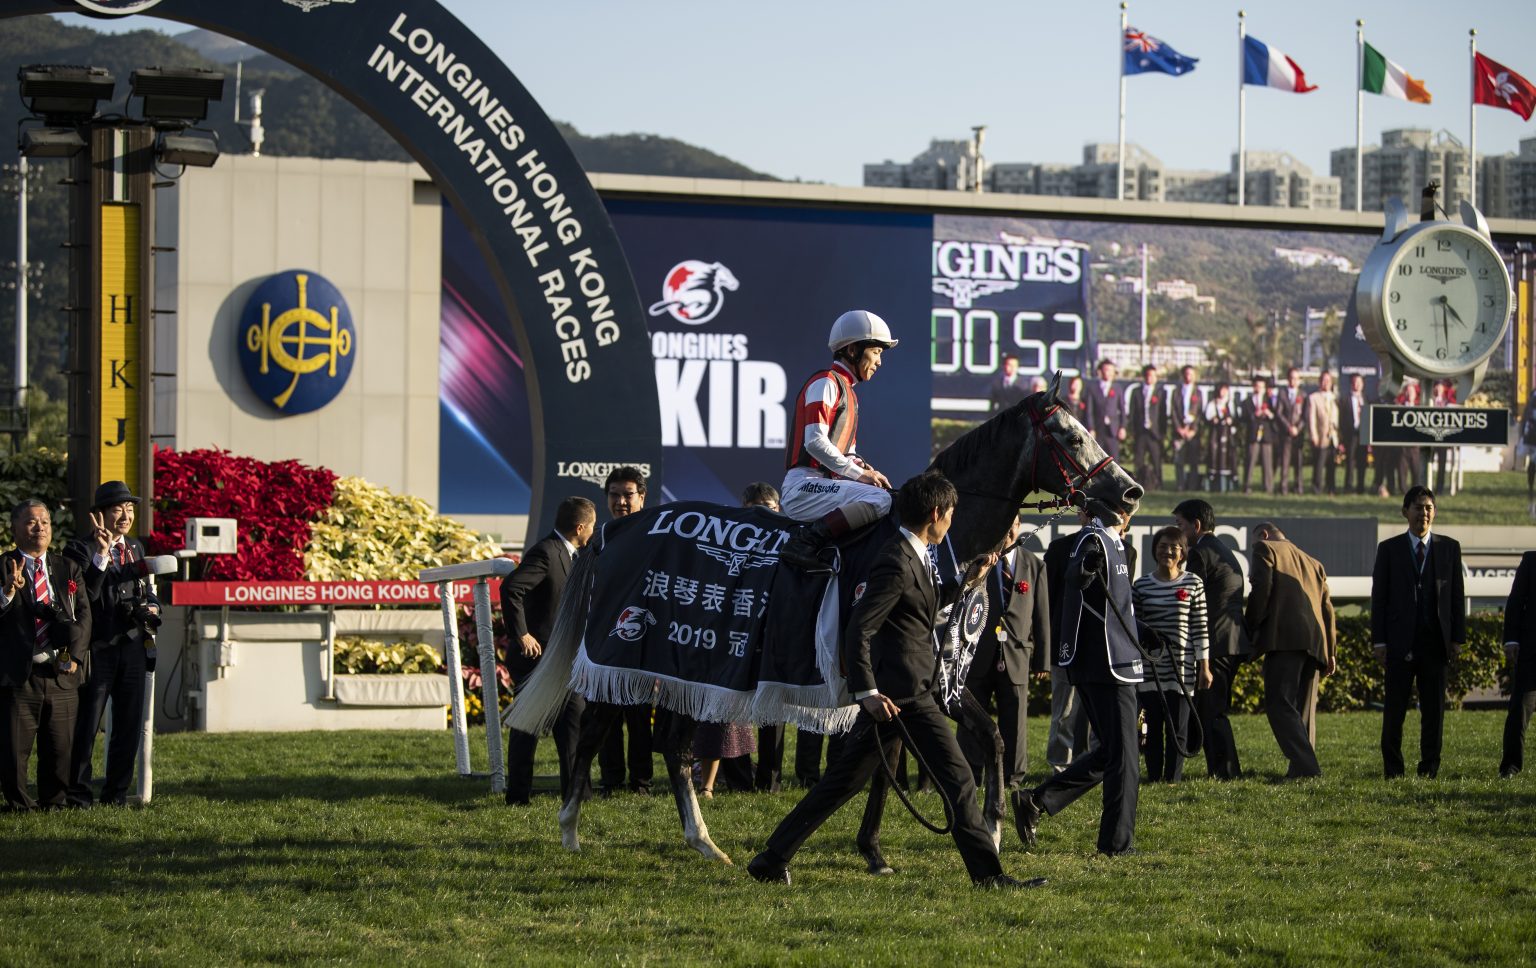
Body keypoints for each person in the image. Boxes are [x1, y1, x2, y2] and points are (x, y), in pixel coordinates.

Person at [748, 472, 1044, 889]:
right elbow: (860, 629)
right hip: (904, 697)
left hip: (900, 697)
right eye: (952, 513)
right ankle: (989, 877)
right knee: (959, 779)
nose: (953, 522)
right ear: (936, 513)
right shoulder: (895, 559)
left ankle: (771, 858)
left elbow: (920, 607)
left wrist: (965, 582)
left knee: (841, 784)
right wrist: (867, 692)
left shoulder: (916, 553)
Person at [1015, 507, 1143, 857]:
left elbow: (1111, 606)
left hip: (1101, 660)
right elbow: (1076, 577)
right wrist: (1084, 568)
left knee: (1109, 752)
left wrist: (1142, 633)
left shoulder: (1113, 544)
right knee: (1124, 757)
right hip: (1104, 664)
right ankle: (1116, 845)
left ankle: (1037, 800)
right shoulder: (1093, 541)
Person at [778, 310, 898, 572]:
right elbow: (814, 442)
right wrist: (856, 474)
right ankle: (804, 543)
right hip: (804, 487)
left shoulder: (849, 394)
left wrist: (866, 470)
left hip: (823, 486)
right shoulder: (825, 382)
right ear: (853, 349)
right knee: (880, 501)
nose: (879, 362)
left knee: (888, 495)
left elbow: (847, 454)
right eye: (876, 352)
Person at [64, 481, 160, 808]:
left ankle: (115, 794)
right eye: (118, 509)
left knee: (129, 723)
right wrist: (102, 554)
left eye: (130, 509)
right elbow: (83, 594)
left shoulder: (136, 547)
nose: (125, 516)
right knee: (87, 723)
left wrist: (152, 607)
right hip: (97, 647)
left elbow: (147, 589)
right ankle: (77, 794)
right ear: (100, 515)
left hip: (132, 644)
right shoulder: (79, 548)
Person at [502, 495, 596, 805]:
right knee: (526, 727)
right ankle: (517, 796)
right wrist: (522, 634)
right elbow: (511, 588)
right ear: (580, 527)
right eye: (592, 527)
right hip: (536, 659)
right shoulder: (545, 552)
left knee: (573, 723)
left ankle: (576, 794)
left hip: (562, 659)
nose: (593, 533)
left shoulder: (571, 554)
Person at [0, 499, 91, 811]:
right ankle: (19, 804)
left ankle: (54, 801)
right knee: (14, 748)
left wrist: (75, 658)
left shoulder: (67, 567)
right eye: (31, 521)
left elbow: (84, 616)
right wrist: (9, 592)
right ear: (14, 528)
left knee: (60, 745)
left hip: (61, 671)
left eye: (45, 522)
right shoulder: (4, 565)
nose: (39, 527)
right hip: (19, 673)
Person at [1372, 485, 1465, 779]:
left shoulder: (1450, 548)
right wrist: (1379, 641)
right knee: (1394, 711)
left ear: (1434, 512)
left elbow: (1456, 598)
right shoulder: (1388, 550)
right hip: (1399, 644)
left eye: (1428, 508)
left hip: (1435, 644)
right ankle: (1393, 770)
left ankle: (1429, 769)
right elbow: (1380, 599)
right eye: (1417, 507)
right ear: (1405, 512)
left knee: (1434, 713)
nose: (1423, 513)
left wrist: (1457, 638)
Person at [959, 516, 1048, 789]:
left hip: (1016, 656)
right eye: (1005, 523)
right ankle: (969, 775)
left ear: (1019, 527)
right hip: (978, 654)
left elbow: (1042, 616)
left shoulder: (1034, 564)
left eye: (1014, 524)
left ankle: (1012, 778)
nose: (1009, 530)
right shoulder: (977, 562)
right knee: (972, 719)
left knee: (1015, 722)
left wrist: (1043, 660)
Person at [1246, 522, 1335, 779]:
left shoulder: (1265, 547)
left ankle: (1307, 766)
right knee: (1304, 711)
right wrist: (1331, 651)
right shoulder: (1313, 562)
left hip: (1284, 638)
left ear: (1263, 535)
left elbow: (1261, 589)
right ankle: (1301, 770)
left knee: (1279, 704)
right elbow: (1327, 609)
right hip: (1316, 643)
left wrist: (1251, 626)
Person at [1173, 499, 1251, 780]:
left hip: (1215, 644)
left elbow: (1188, 600)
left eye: (1179, 525)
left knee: (1211, 712)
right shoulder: (1219, 549)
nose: (1177, 532)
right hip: (1230, 642)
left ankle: (1225, 772)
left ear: (1196, 525)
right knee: (1212, 710)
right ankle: (1223, 769)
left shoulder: (1201, 553)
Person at [591, 466, 655, 795]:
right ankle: (611, 780)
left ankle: (641, 782)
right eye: (614, 495)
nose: (621, 502)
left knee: (640, 719)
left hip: (642, 646)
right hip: (604, 645)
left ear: (642, 497)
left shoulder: (655, 537)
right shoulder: (599, 538)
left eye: (628, 495)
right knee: (606, 720)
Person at [1131, 526, 1207, 783]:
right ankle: (1153, 777)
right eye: (1163, 546)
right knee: (1152, 728)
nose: (1168, 552)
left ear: (1183, 553)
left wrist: (1204, 666)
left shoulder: (1193, 583)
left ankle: (1172, 779)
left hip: (1183, 669)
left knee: (1179, 728)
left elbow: (1200, 627)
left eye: (1174, 547)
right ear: (1154, 550)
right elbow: (1134, 628)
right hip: (1151, 669)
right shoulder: (1141, 585)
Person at [1499, 551, 1536, 778]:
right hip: (1532, 652)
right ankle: (1510, 767)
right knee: (1520, 710)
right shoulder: (1531, 561)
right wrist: (1511, 639)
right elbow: (1514, 602)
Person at [1125, 365, 1164, 492]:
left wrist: (1161, 432)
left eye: (1153, 375)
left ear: (1156, 377)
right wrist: (1131, 430)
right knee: (1139, 459)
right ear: (1144, 376)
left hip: (1154, 432)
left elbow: (1163, 413)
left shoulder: (1160, 392)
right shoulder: (1137, 391)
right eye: (1148, 375)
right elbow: (1132, 412)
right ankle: (1138, 483)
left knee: (1156, 459)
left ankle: (1158, 483)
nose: (1150, 378)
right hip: (1141, 431)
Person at [1168, 365, 1203, 491]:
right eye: (1187, 374)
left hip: (1193, 432)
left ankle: (1193, 486)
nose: (1189, 376)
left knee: (1194, 461)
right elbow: (1173, 412)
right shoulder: (1176, 392)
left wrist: (1193, 429)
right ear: (1183, 375)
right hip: (1179, 431)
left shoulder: (1198, 392)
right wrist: (1179, 428)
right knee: (1179, 460)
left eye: (1192, 374)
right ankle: (1180, 485)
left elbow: (1199, 414)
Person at [1275, 367, 1308, 496]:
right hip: (1286, 433)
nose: (1293, 381)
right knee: (1285, 461)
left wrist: (1297, 428)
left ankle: (1298, 487)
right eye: (1291, 378)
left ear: (1299, 380)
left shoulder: (1303, 395)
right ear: (1288, 379)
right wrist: (1289, 427)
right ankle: (1283, 487)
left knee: (1298, 462)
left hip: (1298, 434)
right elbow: (1279, 413)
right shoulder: (1282, 394)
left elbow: (1305, 416)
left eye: (1296, 378)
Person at [1240, 376, 1276, 495]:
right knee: (1250, 461)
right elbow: (1244, 418)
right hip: (1253, 434)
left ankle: (1268, 487)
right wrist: (1254, 415)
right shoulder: (1247, 401)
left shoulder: (1269, 400)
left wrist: (1268, 414)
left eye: (1261, 386)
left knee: (1267, 462)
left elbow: (1275, 416)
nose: (1259, 388)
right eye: (1257, 386)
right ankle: (1247, 486)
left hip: (1266, 435)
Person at [1084, 359, 1124, 460]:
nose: (1108, 373)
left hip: (1112, 430)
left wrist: (1122, 427)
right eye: (1106, 370)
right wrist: (1091, 428)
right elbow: (1089, 411)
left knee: (1114, 461)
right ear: (1100, 371)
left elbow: (1122, 410)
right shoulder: (1092, 388)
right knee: (1096, 459)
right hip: (1098, 430)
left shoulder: (1118, 388)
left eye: (1111, 370)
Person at [1308, 371, 1339, 495]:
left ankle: (1331, 487)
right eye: (1323, 380)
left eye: (1328, 380)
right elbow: (1312, 419)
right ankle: (1317, 487)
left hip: (1334, 436)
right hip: (1321, 435)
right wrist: (1313, 435)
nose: (1326, 383)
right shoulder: (1314, 397)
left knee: (1332, 463)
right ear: (1319, 382)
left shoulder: (1335, 397)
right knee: (1319, 463)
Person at [1204, 382, 1238, 493]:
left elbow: (1236, 418)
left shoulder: (1230, 404)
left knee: (1228, 457)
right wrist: (1213, 420)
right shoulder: (1212, 404)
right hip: (1215, 434)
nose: (1223, 392)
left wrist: (1231, 420)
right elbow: (1207, 417)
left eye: (1225, 390)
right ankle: (1213, 483)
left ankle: (1228, 484)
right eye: (1221, 390)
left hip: (1227, 435)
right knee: (1214, 456)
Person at [1339, 373, 1370, 495]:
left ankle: (1361, 487)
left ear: (1362, 384)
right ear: (1351, 384)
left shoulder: (1366, 399)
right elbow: (1341, 420)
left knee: (1362, 461)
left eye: (1359, 382)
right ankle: (1348, 487)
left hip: (1363, 435)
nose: (1356, 385)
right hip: (1350, 435)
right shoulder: (1344, 399)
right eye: (1354, 382)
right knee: (1350, 461)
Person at [1518, 392, 1536, 517]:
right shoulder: (1533, 395)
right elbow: (1525, 416)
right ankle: (1531, 503)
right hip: (1531, 437)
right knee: (1532, 470)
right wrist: (1521, 435)